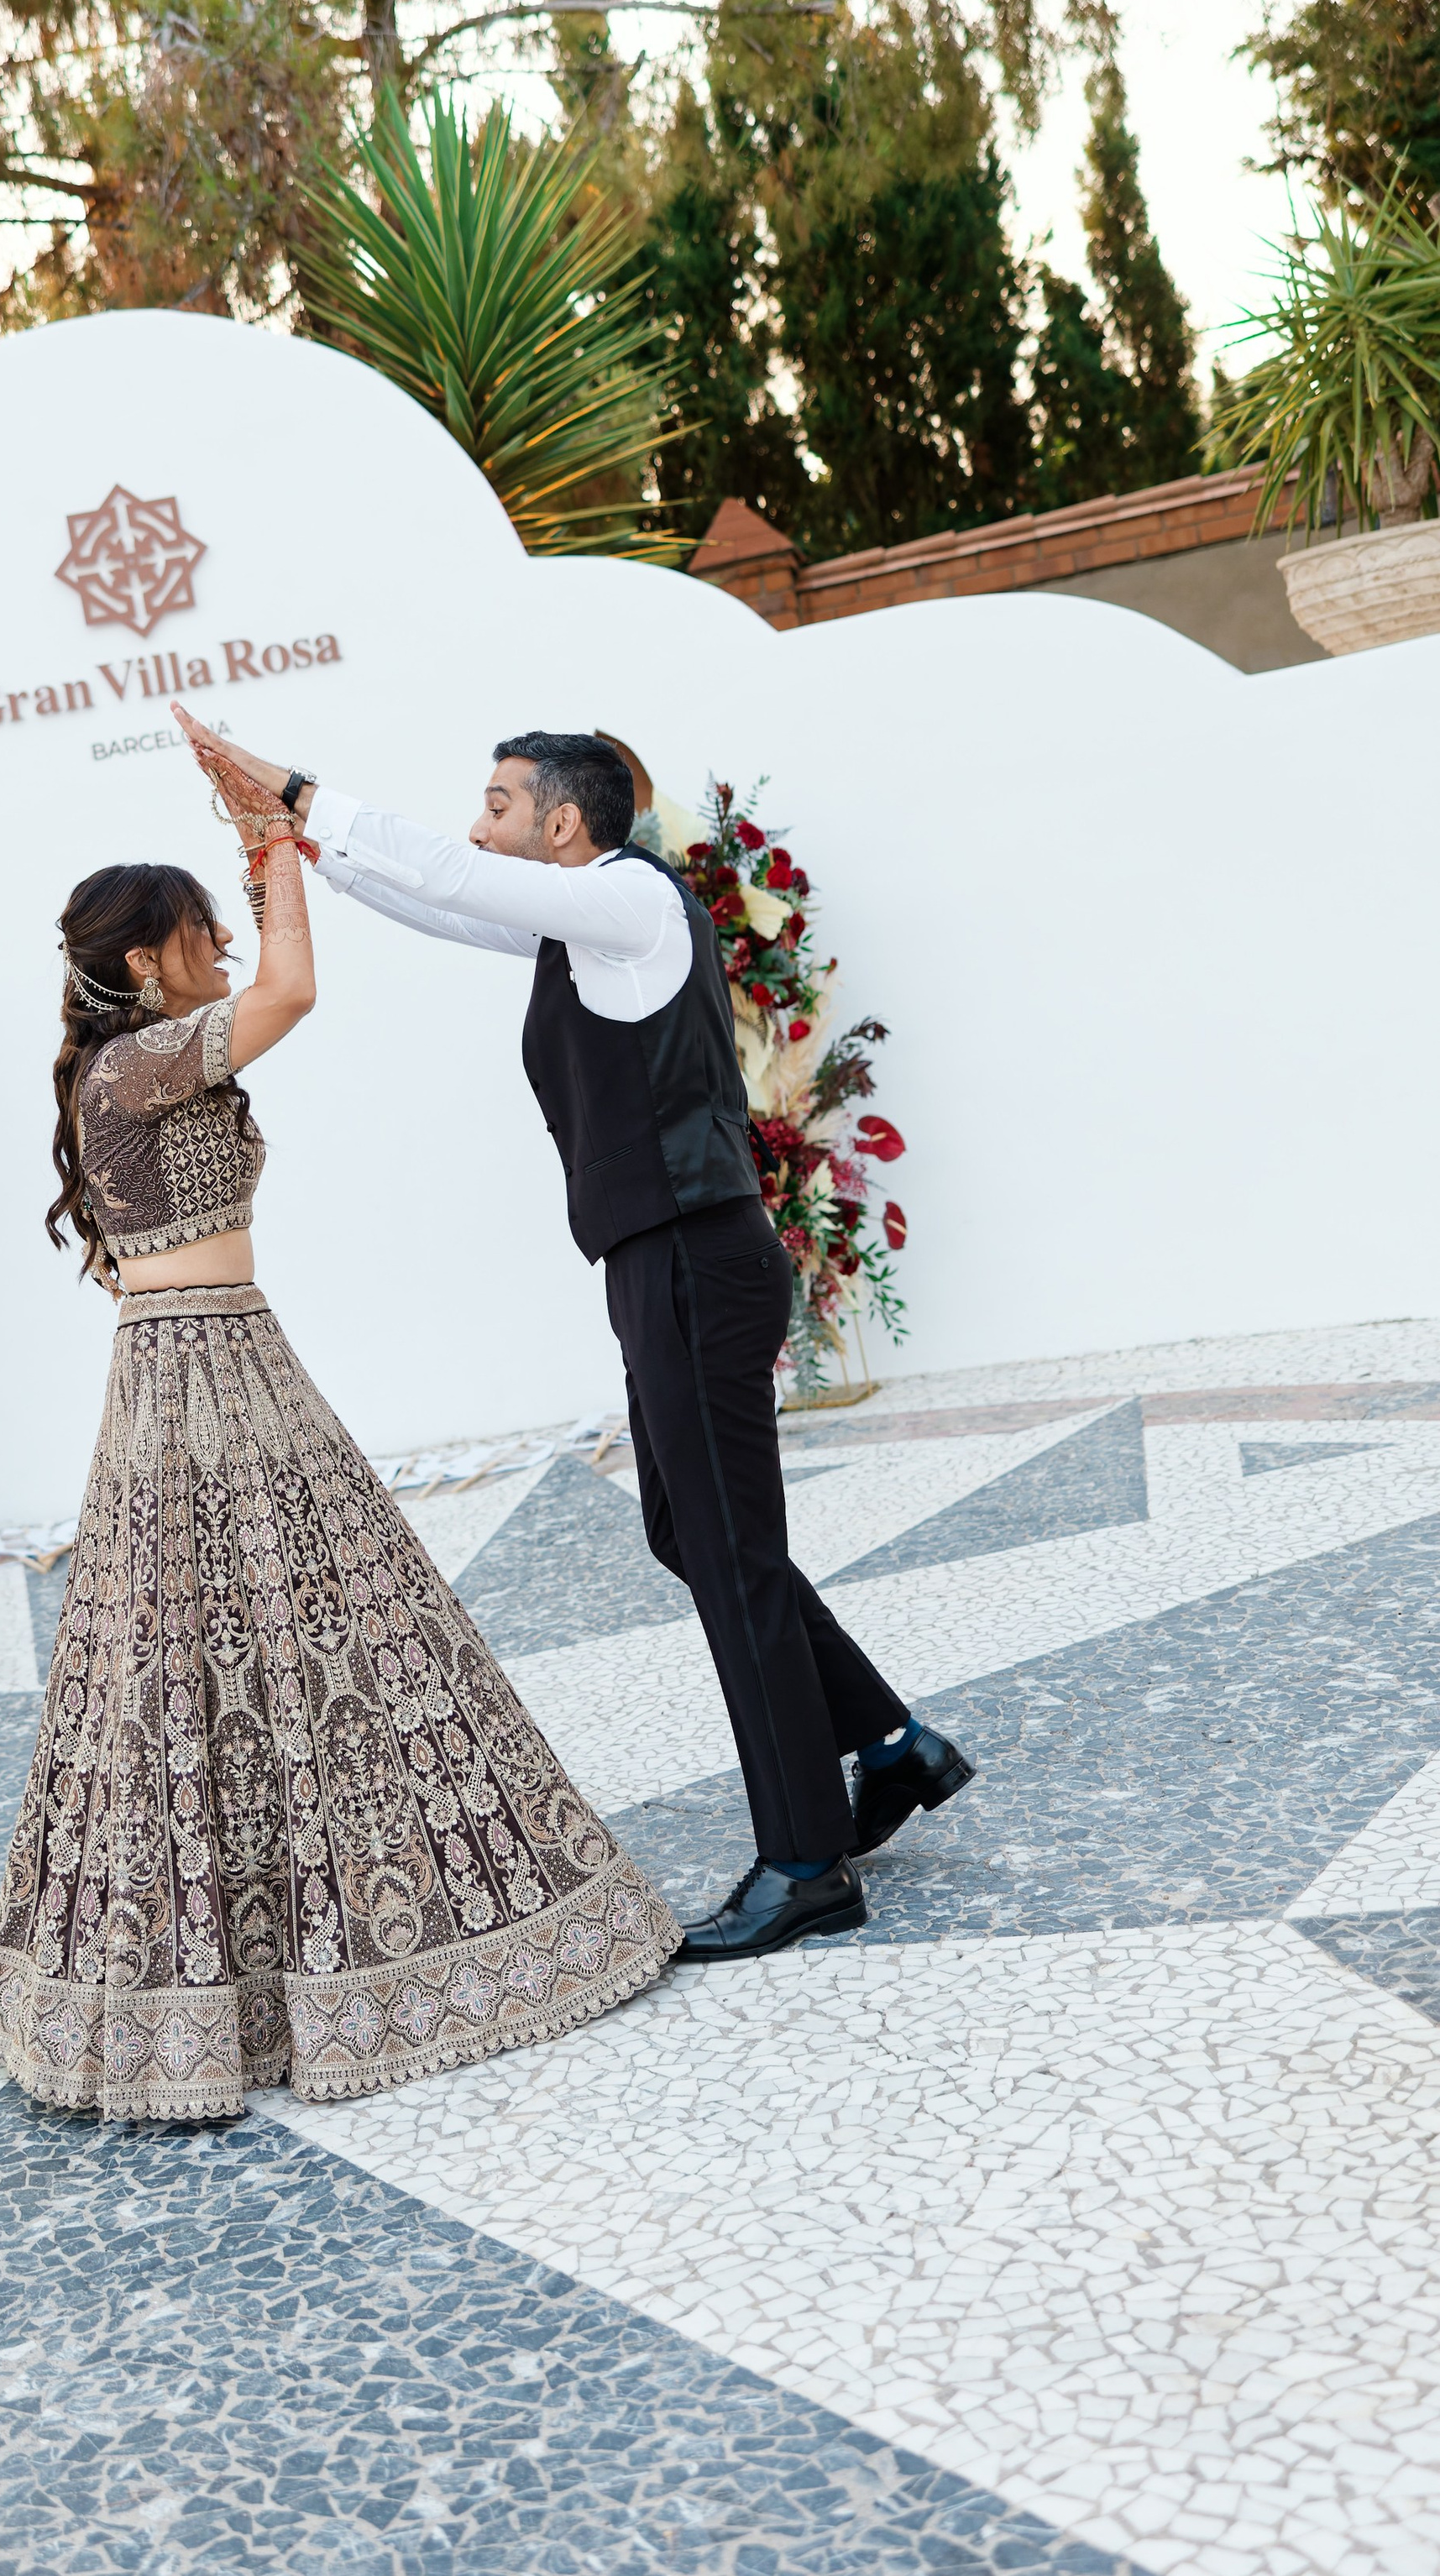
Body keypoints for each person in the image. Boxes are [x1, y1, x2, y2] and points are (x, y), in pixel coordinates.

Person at [168, 709, 975, 1964]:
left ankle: (808, 1861)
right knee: (685, 1530)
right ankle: (888, 1741)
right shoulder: (573, 924)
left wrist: (297, 786)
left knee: (732, 1554)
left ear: (561, 819)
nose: (478, 825)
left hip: (697, 1261)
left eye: (497, 803)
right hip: (661, 1266)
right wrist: (296, 846)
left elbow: (453, 876)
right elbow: (442, 901)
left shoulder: (632, 903)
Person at [0, 741, 680, 2124]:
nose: (224, 944)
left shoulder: (143, 1063)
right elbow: (294, 986)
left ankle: (336, 1952)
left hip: (227, 1358)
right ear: (149, 962)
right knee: (217, 1673)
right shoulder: (128, 1066)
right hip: (195, 1383)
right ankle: (228, 1996)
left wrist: (266, 857)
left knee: (305, 1652)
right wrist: (282, 844)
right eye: (201, 930)